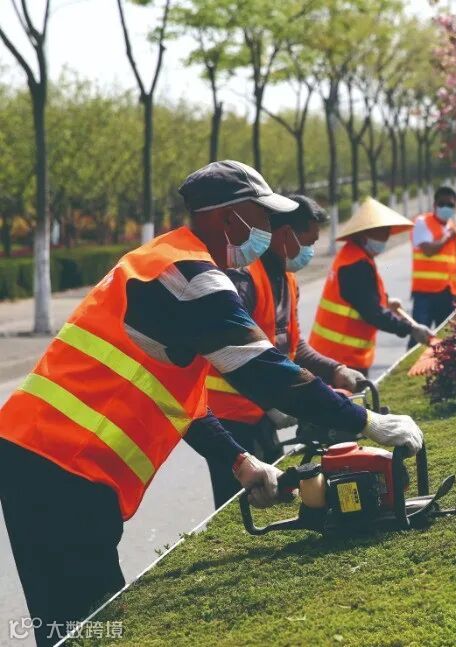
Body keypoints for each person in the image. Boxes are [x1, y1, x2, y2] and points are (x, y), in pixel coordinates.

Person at [0, 161, 423, 647]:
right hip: (60, 463)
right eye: (263, 217)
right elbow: (264, 368)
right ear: (230, 217)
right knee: (85, 624)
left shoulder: (170, 260)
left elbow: (182, 402)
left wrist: (240, 462)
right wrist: (365, 421)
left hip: (47, 458)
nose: (268, 229)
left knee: (73, 617)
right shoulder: (192, 275)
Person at [201, 194, 366, 509]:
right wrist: (273, 403)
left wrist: (335, 370)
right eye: (308, 241)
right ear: (285, 234)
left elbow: (293, 345)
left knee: (278, 492)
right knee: (237, 505)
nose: (310, 251)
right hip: (228, 417)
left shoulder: (288, 280)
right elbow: (230, 352)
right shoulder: (243, 280)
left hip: (261, 410)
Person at [310, 197, 433, 377]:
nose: (385, 238)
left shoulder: (352, 255)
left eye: (387, 232)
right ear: (364, 234)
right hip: (341, 358)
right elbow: (372, 313)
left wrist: (385, 302)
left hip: (331, 354)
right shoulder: (357, 265)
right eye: (381, 232)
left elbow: (358, 296)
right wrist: (410, 329)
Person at [410, 186, 456, 337]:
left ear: (455, 206)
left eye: (450, 205)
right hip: (425, 293)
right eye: (442, 204)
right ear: (434, 205)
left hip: (448, 294)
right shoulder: (422, 222)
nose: (446, 207)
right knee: (420, 339)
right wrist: (446, 237)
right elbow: (428, 250)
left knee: (446, 339)